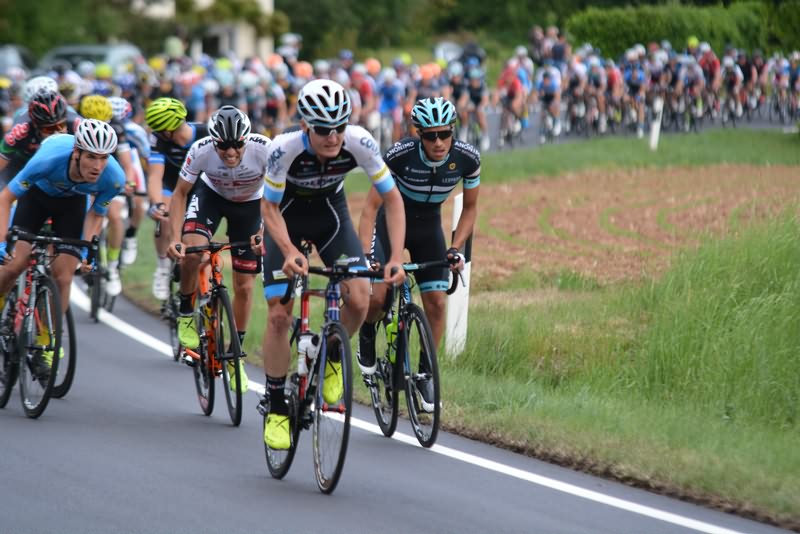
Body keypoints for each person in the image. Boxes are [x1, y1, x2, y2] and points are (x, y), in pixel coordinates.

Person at [260, 79, 406, 449]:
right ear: (305, 126)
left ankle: (333, 355)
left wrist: (394, 257)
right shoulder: (283, 148)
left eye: (340, 126)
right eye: (324, 129)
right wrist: (288, 250)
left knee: (360, 298)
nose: (333, 136)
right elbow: (269, 207)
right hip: (286, 217)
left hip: (330, 216)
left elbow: (392, 199)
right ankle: (276, 406)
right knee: (278, 313)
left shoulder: (360, 142)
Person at [357, 97, 479, 411]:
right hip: (390, 223)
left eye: (445, 134)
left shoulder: (467, 159)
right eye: (431, 136)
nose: (438, 142)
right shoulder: (400, 155)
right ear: (419, 134)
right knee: (378, 297)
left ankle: (426, 374)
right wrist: (367, 255)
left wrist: (455, 248)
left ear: (453, 131)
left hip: (429, 228)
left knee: (437, 303)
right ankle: (368, 331)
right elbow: (370, 209)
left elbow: (470, 209)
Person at [0, 120, 124, 371]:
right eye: (91, 157)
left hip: (72, 204)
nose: (98, 166)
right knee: (14, 264)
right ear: (76, 152)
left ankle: (48, 341)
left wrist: (86, 251)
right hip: (36, 198)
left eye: (104, 158)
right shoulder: (47, 160)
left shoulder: (114, 178)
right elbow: (5, 199)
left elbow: (96, 214)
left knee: (64, 277)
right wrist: (2, 243)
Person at [167, 106, 270, 393]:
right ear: (214, 142)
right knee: (193, 252)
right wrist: (174, 238)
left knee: (245, 287)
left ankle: (235, 356)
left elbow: (279, 195)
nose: (231, 152)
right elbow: (180, 193)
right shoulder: (200, 150)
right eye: (223, 146)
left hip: (252, 206)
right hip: (211, 197)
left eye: (237, 144)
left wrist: (264, 231)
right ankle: (186, 312)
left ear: (246, 139)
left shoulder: (265, 150)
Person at [144, 97, 208, 300]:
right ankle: (163, 267)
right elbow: (155, 175)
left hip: (199, 187)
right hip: (171, 185)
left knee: (200, 241)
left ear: (168, 130)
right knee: (164, 217)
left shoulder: (205, 133)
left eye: (158, 129)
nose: (155, 132)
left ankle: (206, 291)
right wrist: (157, 204)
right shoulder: (158, 139)